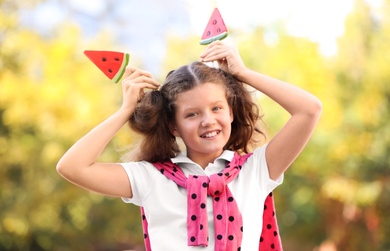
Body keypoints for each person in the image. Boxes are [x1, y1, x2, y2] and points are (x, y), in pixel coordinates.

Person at [57, 41, 322, 250]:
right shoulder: (151, 178)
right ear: (174, 126)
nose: (208, 121)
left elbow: (309, 110)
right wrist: (126, 110)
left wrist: (243, 73)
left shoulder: (257, 170)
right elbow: (72, 167)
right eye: (192, 114)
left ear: (230, 113)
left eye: (217, 108)